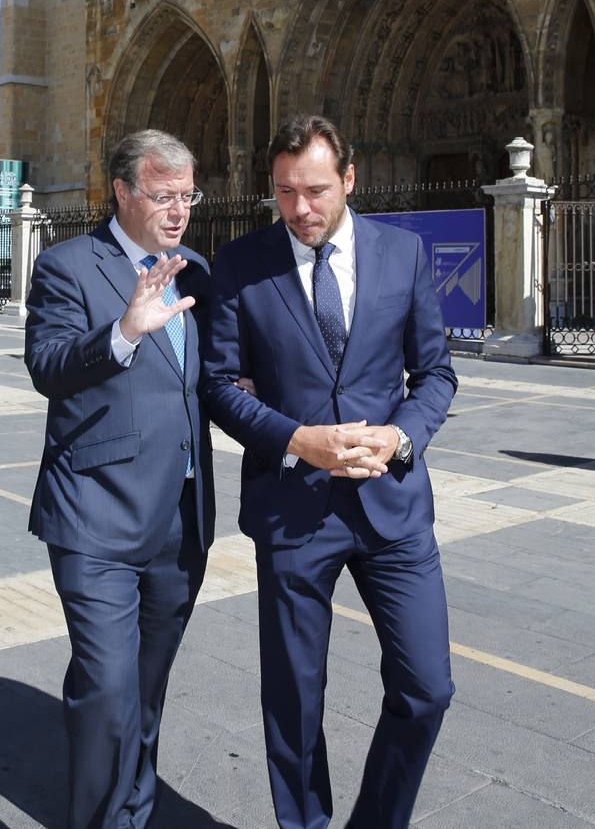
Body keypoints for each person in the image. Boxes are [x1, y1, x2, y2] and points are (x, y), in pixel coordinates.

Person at [202, 114, 457, 829]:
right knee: (293, 697)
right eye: (284, 193)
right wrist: (296, 439)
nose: (300, 209)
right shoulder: (241, 262)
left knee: (426, 689)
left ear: (348, 179)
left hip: (392, 508)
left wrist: (400, 438)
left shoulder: (402, 254)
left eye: (315, 190)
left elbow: (434, 373)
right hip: (292, 509)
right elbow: (218, 384)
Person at [25, 129, 215, 828]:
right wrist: (123, 334)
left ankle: (130, 810)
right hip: (96, 515)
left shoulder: (195, 268)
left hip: (180, 517)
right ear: (122, 192)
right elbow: (47, 367)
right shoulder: (68, 265)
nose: (177, 211)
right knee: (107, 687)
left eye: (187, 196)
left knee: (144, 687)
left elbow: (205, 381)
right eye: (162, 196)